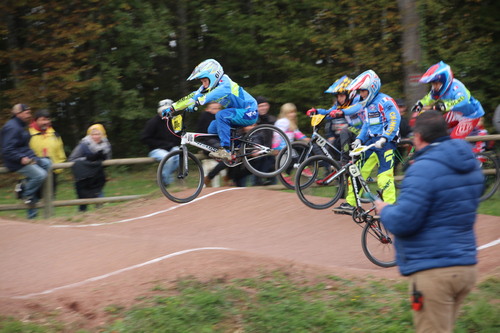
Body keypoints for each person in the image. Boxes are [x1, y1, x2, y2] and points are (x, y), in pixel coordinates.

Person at [374, 111, 483, 333]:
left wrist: (385, 211)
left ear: (419, 136)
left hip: (434, 272)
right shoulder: (468, 164)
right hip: (465, 266)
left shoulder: (422, 169)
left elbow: (404, 222)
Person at [162, 59, 258, 161]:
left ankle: (226, 150)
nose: (203, 84)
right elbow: (193, 96)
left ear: (213, 76)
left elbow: (213, 94)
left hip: (249, 112)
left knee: (221, 115)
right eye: (202, 82)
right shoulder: (210, 87)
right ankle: (236, 147)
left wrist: (199, 101)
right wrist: (172, 108)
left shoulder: (225, 83)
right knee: (212, 128)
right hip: (237, 113)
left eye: (205, 81)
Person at [335, 70, 401, 212]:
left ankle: (390, 207)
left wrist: (385, 138)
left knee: (384, 176)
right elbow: (366, 124)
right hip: (371, 142)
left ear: (372, 88)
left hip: (386, 143)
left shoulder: (385, 101)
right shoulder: (367, 104)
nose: (361, 94)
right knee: (357, 171)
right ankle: (351, 203)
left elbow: (394, 121)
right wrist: (359, 139)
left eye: (363, 91)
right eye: (359, 91)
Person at [0, 104, 52, 219]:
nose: (29, 115)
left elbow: (24, 146)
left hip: (26, 157)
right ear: (18, 114)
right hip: (15, 161)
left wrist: (35, 158)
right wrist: (20, 158)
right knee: (40, 175)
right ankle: (25, 193)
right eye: (27, 113)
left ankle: (23, 184)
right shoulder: (12, 127)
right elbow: (7, 150)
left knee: (47, 163)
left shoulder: (22, 126)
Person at [411, 61, 484, 138]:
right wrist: (420, 104)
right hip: (456, 112)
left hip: (470, 116)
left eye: (436, 83)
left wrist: (444, 106)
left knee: (454, 140)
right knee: (436, 126)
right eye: (432, 84)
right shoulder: (437, 89)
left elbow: (463, 101)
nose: (434, 86)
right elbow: (429, 98)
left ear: (444, 80)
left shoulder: (456, 87)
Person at [307, 75, 363, 164]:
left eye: (341, 95)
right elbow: (328, 112)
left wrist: (341, 112)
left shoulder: (359, 100)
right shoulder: (341, 104)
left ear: (350, 94)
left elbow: (355, 109)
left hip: (363, 132)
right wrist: (316, 111)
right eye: (337, 96)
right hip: (353, 132)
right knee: (333, 144)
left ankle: (344, 161)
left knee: (344, 131)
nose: (339, 99)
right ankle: (335, 167)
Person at [68, 124, 112, 212]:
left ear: (102, 135)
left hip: (97, 176)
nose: (95, 137)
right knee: (83, 201)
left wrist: (101, 159)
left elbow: (108, 161)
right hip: (84, 177)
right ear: (89, 135)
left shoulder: (106, 146)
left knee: (99, 196)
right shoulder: (83, 145)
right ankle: (81, 217)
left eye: (98, 134)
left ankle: (101, 215)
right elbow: (72, 159)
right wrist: (88, 159)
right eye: (93, 134)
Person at [141, 99, 181, 186]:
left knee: (180, 155)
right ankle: (165, 182)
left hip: (172, 147)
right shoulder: (153, 122)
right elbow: (145, 138)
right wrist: (163, 144)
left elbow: (180, 138)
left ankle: (163, 177)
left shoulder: (176, 121)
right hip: (156, 149)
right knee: (168, 158)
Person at [29, 109, 66, 197]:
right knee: (33, 200)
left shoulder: (55, 135)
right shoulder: (27, 135)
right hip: (34, 173)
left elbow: (61, 154)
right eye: (43, 120)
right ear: (36, 120)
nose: (46, 122)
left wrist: (57, 170)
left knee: (50, 199)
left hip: (52, 173)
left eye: (48, 119)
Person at [274, 103, 310, 183]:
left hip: (289, 146)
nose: (293, 114)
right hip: (282, 146)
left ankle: (286, 175)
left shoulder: (291, 122)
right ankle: (303, 168)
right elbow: (276, 134)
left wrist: (305, 138)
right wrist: (276, 147)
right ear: (285, 113)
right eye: (290, 112)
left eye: (294, 112)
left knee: (293, 160)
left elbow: (296, 133)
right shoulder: (282, 121)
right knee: (294, 159)